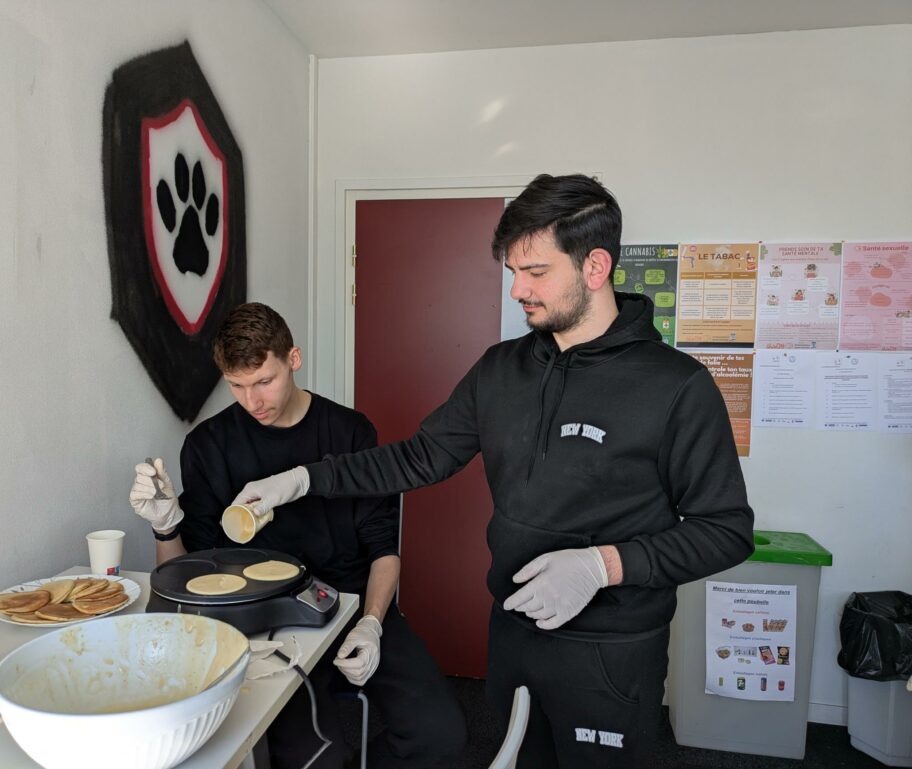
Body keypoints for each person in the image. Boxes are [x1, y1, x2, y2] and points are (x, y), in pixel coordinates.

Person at [231, 175, 755, 769]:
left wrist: (602, 565)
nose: (517, 290)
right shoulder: (500, 370)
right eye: (512, 272)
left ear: (596, 266)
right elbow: (418, 457)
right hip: (513, 633)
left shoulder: (675, 386)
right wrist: (303, 479)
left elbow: (726, 529)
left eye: (534, 272)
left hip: (612, 649)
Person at [129, 302, 466, 769]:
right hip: (259, 625)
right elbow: (185, 574)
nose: (253, 402)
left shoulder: (349, 432)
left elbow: (383, 548)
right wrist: (165, 524)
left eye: (264, 381)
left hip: (350, 604)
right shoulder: (208, 445)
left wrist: (372, 622)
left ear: (293, 359)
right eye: (237, 386)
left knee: (440, 735)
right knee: (316, 758)